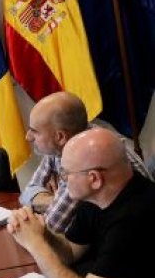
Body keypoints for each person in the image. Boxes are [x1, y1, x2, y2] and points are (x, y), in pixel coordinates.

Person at [8, 128, 155, 278]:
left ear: (94, 178)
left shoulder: (135, 216)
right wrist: (43, 233)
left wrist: (35, 244)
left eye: (66, 173)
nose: (62, 181)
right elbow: (70, 252)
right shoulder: (97, 198)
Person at [19, 91, 152, 233]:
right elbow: (27, 193)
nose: (28, 137)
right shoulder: (62, 144)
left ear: (60, 137)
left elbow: (52, 226)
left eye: (35, 131)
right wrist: (54, 200)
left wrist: (42, 201)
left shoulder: (88, 158)